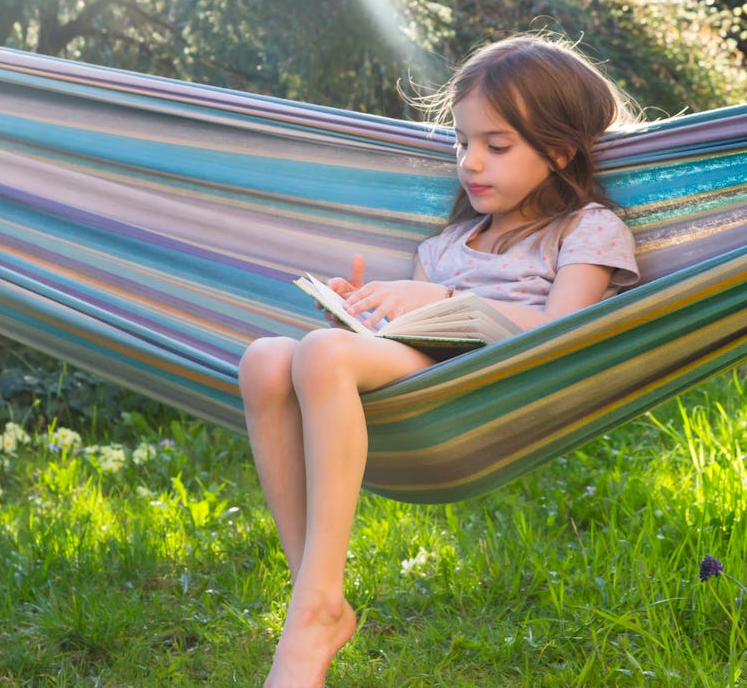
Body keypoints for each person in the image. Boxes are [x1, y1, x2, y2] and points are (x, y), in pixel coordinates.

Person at [238, 34, 641, 687]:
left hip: (486, 386)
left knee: (321, 358)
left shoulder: (587, 230)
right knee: (264, 358)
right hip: (414, 374)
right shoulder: (447, 243)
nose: (470, 162)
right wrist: (362, 310)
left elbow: (568, 334)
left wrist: (452, 296)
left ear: (560, 151)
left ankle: (315, 609)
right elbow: (408, 326)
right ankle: (313, 599)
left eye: (496, 145)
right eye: (461, 143)